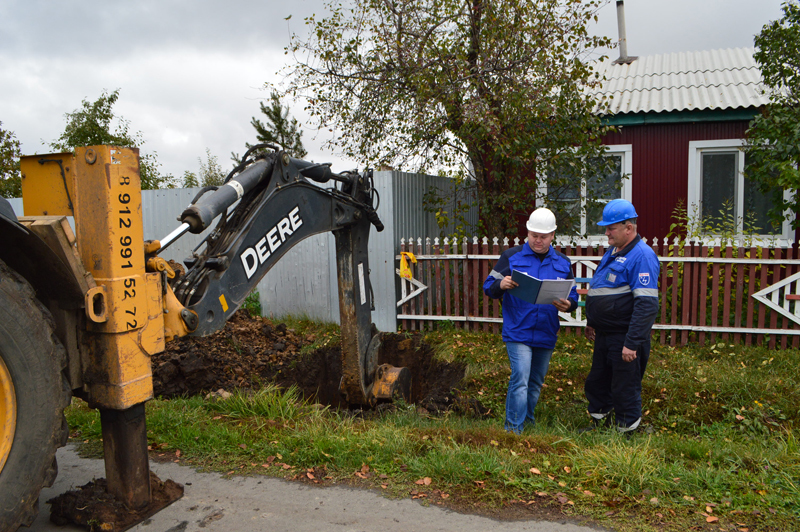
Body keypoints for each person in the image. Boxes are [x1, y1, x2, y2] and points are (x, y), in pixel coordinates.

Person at [483, 207, 578, 434]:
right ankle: (513, 430)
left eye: (543, 236)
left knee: (535, 383)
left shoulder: (563, 262)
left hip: (546, 331)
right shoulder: (511, 257)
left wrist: (569, 304)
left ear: (553, 235)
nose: (538, 240)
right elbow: (488, 287)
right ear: (527, 232)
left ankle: (527, 423)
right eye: (534, 235)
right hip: (518, 330)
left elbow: (572, 295)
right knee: (521, 379)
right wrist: (501, 285)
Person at [583, 199, 660, 434]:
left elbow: (646, 305)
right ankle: (600, 424)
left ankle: (627, 433)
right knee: (598, 382)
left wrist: (632, 342)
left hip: (624, 337)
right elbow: (602, 290)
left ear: (629, 227)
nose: (606, 232)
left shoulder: (642, 256)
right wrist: (592, 322)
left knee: (624, 386)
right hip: (604, 335)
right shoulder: (612, 252)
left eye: (611, 227)